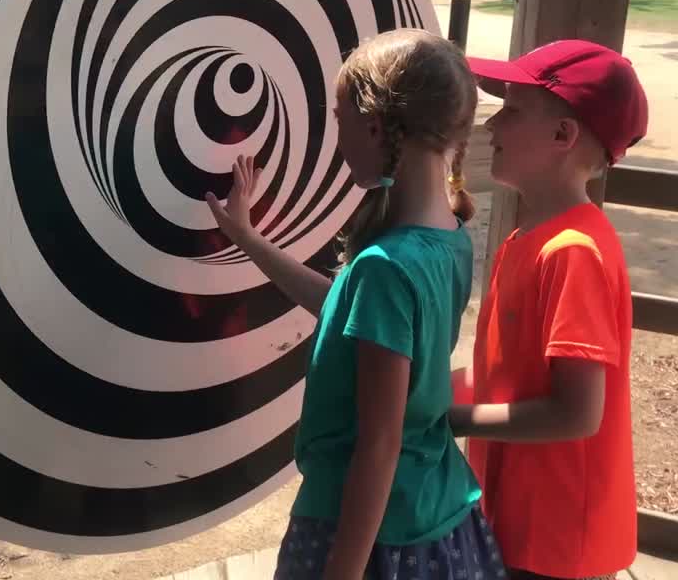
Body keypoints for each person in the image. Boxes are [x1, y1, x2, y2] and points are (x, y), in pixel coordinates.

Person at [207, 29, 505, 580]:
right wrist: (249, 240)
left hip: (365, 536)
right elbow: (348, 312)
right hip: (436, 517)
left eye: (339, 119)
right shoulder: (451, 239)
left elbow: (379, 444)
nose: (337, 138)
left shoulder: (384, 268)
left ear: (374, 126)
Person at [450, 39, 649, 580]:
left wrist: (446, 420)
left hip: (558, 543)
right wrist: (424, 390)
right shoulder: (527, 239)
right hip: (518, 522)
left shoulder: (573, 254)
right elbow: (507, 374)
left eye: (512, 110)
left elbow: (577, 413)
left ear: (564, 136)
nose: (492, 127)